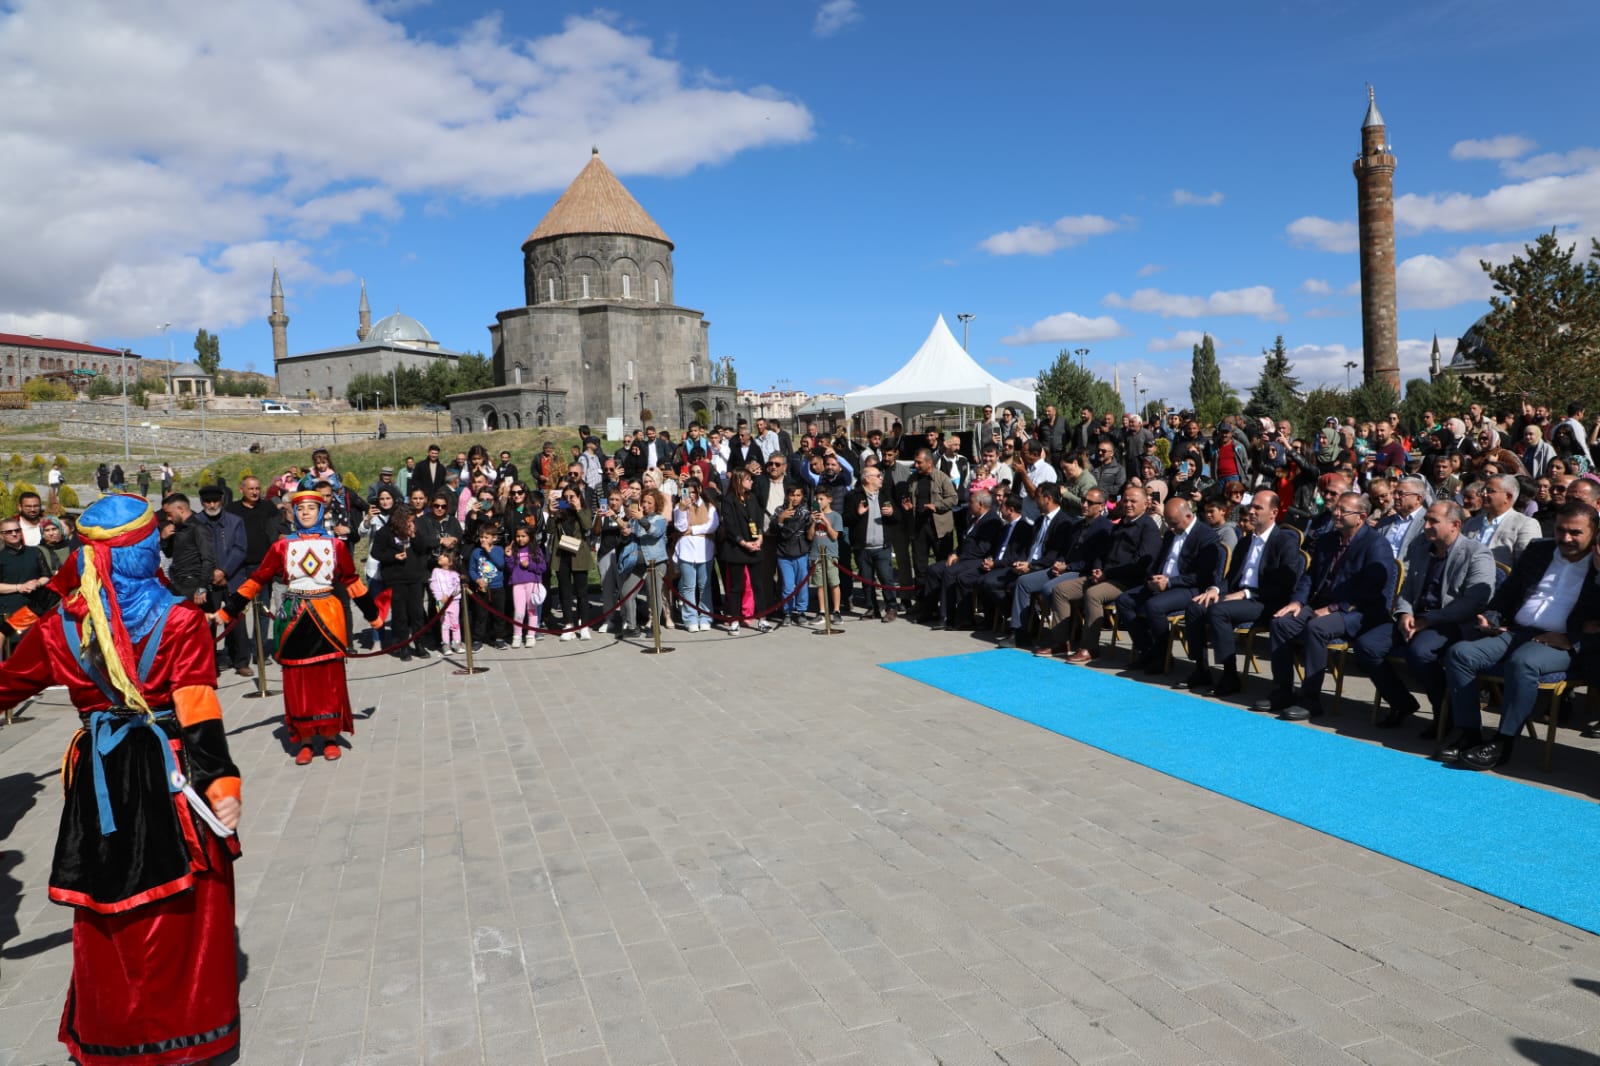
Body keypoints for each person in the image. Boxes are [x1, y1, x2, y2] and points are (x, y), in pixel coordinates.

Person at [0, 493, 243, 1066]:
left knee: (109, 906)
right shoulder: (180, 618)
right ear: (139, 551)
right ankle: (187, 1039)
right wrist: (223, 784)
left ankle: (115, 1037)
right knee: (187, 907)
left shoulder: (59, 627)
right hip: (173, 773)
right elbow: (199, 709)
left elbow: (7, 686)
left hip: (99, 777)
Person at [213, 490, 376, 764]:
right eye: (300, 509)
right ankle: (305, 738)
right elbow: (258, 578)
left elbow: (351, 580)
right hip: (294, 616)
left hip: (327, 614)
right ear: (293, 513)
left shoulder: (335, 546)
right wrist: (229, 611)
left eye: (311, 508)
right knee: (298, 679)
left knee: (328, 677)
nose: (305, 513)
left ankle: (330, 735)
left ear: (320, 512)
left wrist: (373, 614)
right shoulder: (281, 547)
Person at [1437, 502, 1600, 771]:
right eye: (1560, 530)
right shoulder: (1540, 550)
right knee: (1460, 654)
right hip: (1518, 631)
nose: (1566, 538)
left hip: (1562, 643)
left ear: (1594, 532)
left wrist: (1573, 640)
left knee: (1523, 662)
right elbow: (1507, 594)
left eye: (1575, 532)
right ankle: (1468, 732)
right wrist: (1492, 617)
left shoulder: (1597, 565)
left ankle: (1503, 741)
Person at [1355, 501, 1495, 730]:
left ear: (1455, 525)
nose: (1426, 526)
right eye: (1425, 520)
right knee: (1367, 645)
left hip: (1450, 621)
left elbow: (1474, 601)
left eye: (1433, 521)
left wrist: (1430, 620)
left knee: (1420, 652)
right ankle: (1402, 703)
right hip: (1416, 617)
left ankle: (1444, 712)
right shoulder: (1421, 548)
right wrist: (1404, 613)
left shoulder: (1477, 553)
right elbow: (1407, 588)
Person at [1256, 492, 1395, 720]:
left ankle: (1310, 700)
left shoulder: (1376, 545)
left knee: (1317, 628)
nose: (1336, 513)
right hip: (1320, 603)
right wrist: (1297, 601)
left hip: (1356, 610)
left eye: (1343, 510)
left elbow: (1371, 590)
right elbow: (1310, 577)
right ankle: (1283, 691)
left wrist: (1334, 608)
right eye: (1336, 508)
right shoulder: (1328, 539)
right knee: (1280, 622)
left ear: (1360, 517)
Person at [1181, 491, 1304, 695]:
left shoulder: (1284, 542)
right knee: (1196, 605)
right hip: (1239, 597)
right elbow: (1231, 578)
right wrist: (1214, 589)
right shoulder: (1246, 541)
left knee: (1219, 611)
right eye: (1251, 507)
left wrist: (1246, 594)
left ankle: (1230, 675)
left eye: (1258, 508)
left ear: (1273, 513)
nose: (1251, 511)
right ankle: (1201, 668)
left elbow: (1284, 586)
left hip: (1266, 601)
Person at [1116, 497, 1225, 673]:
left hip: (1188, 587)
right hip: (1163, 582)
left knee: (1154, 606)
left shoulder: (1206, 537)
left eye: (1174, 524)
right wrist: (1152, 578)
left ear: (1188, 517)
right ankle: (1147, 649)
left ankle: (1162, 656)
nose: (1172, 528)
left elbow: (1203, 576)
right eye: (1169, 524)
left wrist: (1170, 583)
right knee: (1124, 600)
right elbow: (1158, 561)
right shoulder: (1170, 534)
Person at [193, 484, 248, 672]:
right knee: (208, 624)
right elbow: (193, 552)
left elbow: (240, 548)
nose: (212, 504)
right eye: (207, 501)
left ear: (222, 500)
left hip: (232, 578)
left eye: (215, 500)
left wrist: (223, 571)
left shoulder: (235, 521)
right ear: (202, 502)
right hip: (207, 581)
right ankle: (210, 666)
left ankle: (241, 662)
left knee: (236, 621)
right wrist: (211, 574)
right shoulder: (195, 522)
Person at [370, 502, 430, 661]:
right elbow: (376, 553)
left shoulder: (414, 529)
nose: (411, 523)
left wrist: (414, 536)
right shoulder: (385, 533)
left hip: (414, 576)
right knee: (400, 614)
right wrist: (393, 557)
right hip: (395, 578)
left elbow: (423, 549)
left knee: (416, 612)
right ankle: (403, 646)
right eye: (408, 520)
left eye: (412, 520)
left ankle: (419, 643)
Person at [1460, 474, 1541, 566]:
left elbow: (1527, 565)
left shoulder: (1525, 525)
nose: (1483, 494)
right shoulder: (1471, 523)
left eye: (1490, 491)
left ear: (1508, 497)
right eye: (1483, 490)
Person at [673, 479, 719, 633]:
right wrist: (682, 509)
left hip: (704, 551)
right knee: (688, 587)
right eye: (688, 492)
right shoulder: (680, 507)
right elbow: (680, 527)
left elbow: (712, 526)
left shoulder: (709, 506)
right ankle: (690, 618)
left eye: (693, 491)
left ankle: (705, 617)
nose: (691, 495)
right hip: (686, 551)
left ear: (699, 490)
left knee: (705, 586)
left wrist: (693, 529)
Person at [549, 485, 594, 640]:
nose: (568, 500)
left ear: (578, 496)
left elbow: (588, 527)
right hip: (561, 555)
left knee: (582, 592)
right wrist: (551, 513)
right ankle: (568, 624)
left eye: (572, 497)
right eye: (566, 497)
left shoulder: (584, 510)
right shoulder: (559, 513)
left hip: (579, 555)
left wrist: (578, 508)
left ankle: (583, 625)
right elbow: (548, 530)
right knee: (564, 591)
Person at [159, 493, 215, 603]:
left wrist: (202, 587)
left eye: (169, 514)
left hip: (193, 585)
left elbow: (208, 559)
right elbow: (169, 553)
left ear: (180, 509)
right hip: (177, 583)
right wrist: (164, 538)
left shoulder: (198, 529)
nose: (168, 518)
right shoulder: (177, 528)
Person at [771, 484, 813, 626]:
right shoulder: (779, 510)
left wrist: (785, 522)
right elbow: (773, 530)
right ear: (787, 496)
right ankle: (787, 612)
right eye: (792, 495)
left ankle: (801, 611)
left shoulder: (805, 511)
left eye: (798, 495)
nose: (795, 498)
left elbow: (804, 531)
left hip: (800, 552)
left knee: (802, 584)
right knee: (788, 586)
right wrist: (780, 519)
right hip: (784, 553)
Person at [468, 524, 510, 650]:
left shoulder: (498, 550)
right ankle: (478, 639)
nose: (483, 540)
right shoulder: (476, 552)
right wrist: (477, 579)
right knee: (481, 615)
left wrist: (489, 551)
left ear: (494, 538)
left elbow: (501, 564)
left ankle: (499, 638)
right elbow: (472, 569)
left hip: (497, 588)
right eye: (481, 537)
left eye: (486, 537)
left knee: (499, 614)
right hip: (482, 589)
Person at [506, 523, 546, 646]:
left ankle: (531, 636)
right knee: (519, 612)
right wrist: (508, 557)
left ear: (530, 537)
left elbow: (542, 567)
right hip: (517, 584)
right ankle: (517, 636)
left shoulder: (535, 550)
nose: (520, 539)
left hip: (531, 583)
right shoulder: (514, 550)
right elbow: (510, 568)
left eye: (523, 536)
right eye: (518, 536)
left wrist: (529, 565)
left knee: (531, 611)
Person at [808, 485, 844, 623]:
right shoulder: (813, 516)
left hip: (830, 555)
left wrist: (825, 521)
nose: (818, 501)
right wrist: (813, 523)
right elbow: (810, 537)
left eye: (821, 499)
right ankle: (822, 612)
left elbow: (834, 536)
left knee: (834, 583)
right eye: (816, 499)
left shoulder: (835, 516)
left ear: (829, 499)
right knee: (820, 584)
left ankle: (836, 611)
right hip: (816, 554)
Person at [431, 549, 464, 654]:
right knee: (444, 623)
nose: (441, 556)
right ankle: (446, 644)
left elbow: (456, 587)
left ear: (450, 562)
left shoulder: (455, 574)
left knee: (455, 622)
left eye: (444, 556)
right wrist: (440, 597)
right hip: (441, 602)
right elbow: (433, 585)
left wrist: (448, 596)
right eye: (441, 555)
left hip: (454, 601)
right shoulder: (436, 571)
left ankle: (457, 642)